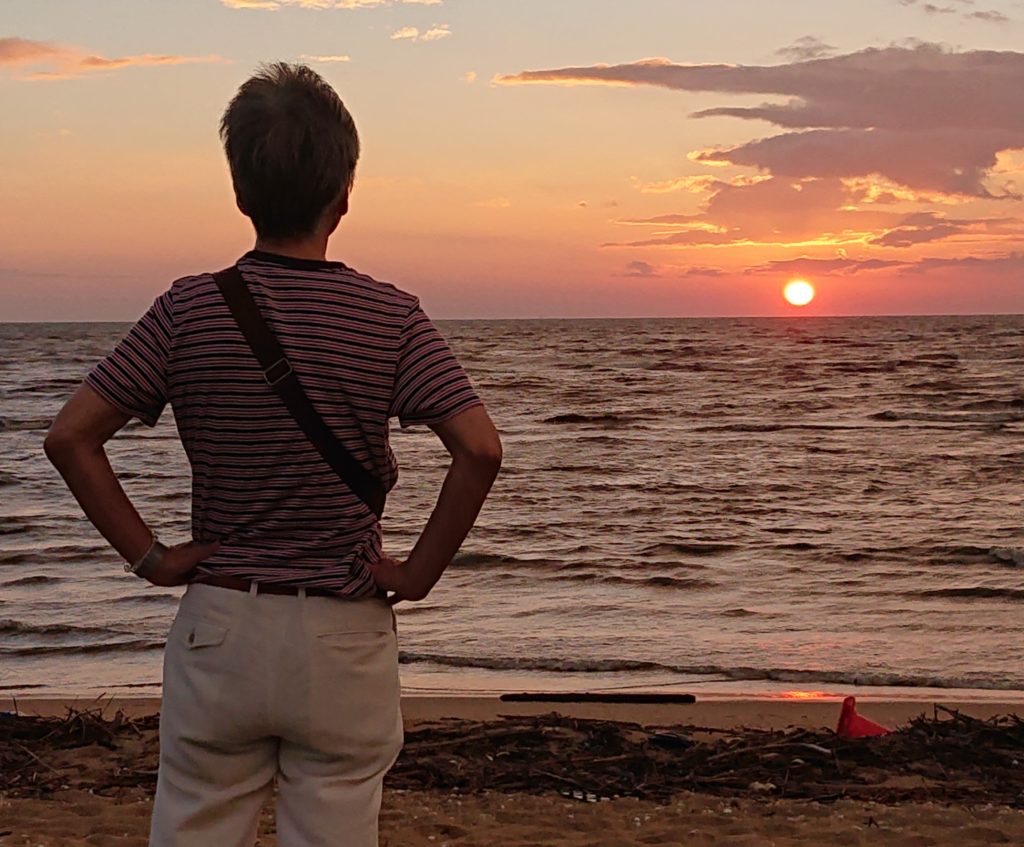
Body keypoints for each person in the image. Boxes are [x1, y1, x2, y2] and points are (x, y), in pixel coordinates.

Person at [43, 62, 502, 847]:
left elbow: (71, 437)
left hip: (222, 623)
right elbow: (479, 449)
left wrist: (150, 557)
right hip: (342, 629)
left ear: (238, 191)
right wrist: (420, 572)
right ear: (344, 195)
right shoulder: (391, 317)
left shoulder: (187, 309)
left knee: (195, 820)